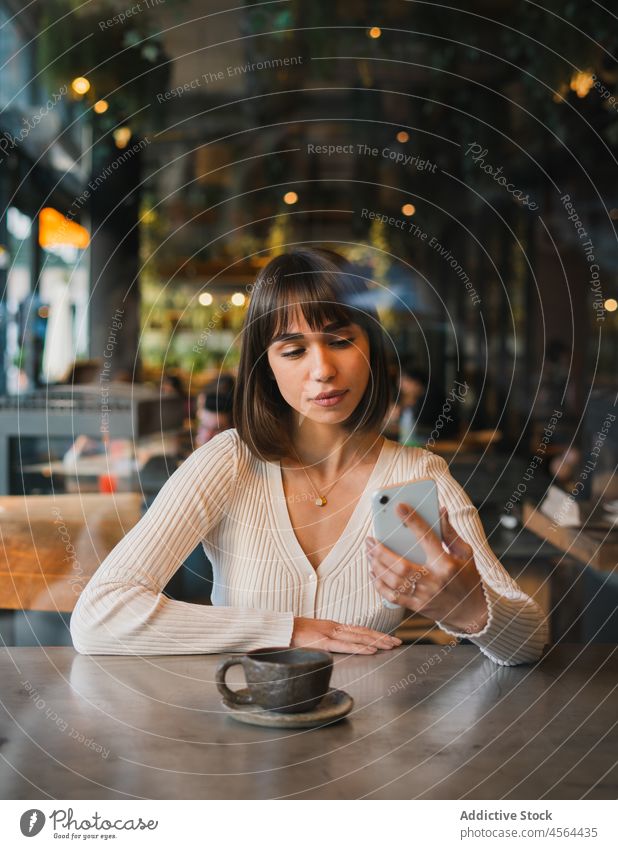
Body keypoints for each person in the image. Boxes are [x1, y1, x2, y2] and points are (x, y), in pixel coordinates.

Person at [70, 249, 548, 665]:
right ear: (266, 367)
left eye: (341, 341)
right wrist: (287, 629)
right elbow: (99, 615)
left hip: (376, 751)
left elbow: (530, 642)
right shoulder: (229, 462)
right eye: (294, 350)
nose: (322, 370)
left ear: (371, 349)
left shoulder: (415, 474)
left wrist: (470, 611)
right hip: (245, 741)